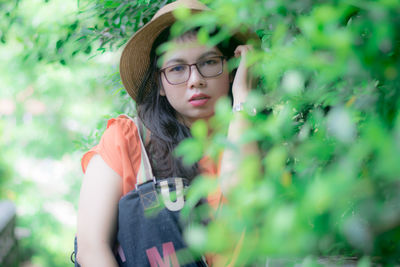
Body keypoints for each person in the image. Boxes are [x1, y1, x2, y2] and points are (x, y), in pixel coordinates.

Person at [76, 0, 258, 266]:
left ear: (231, 70)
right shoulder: (126, 142)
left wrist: (243, 101)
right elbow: (91, 250)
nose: (195, 79)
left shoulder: (251, 134)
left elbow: (243, 192)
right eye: (177, 68)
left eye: (208, 62)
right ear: (159, 84)